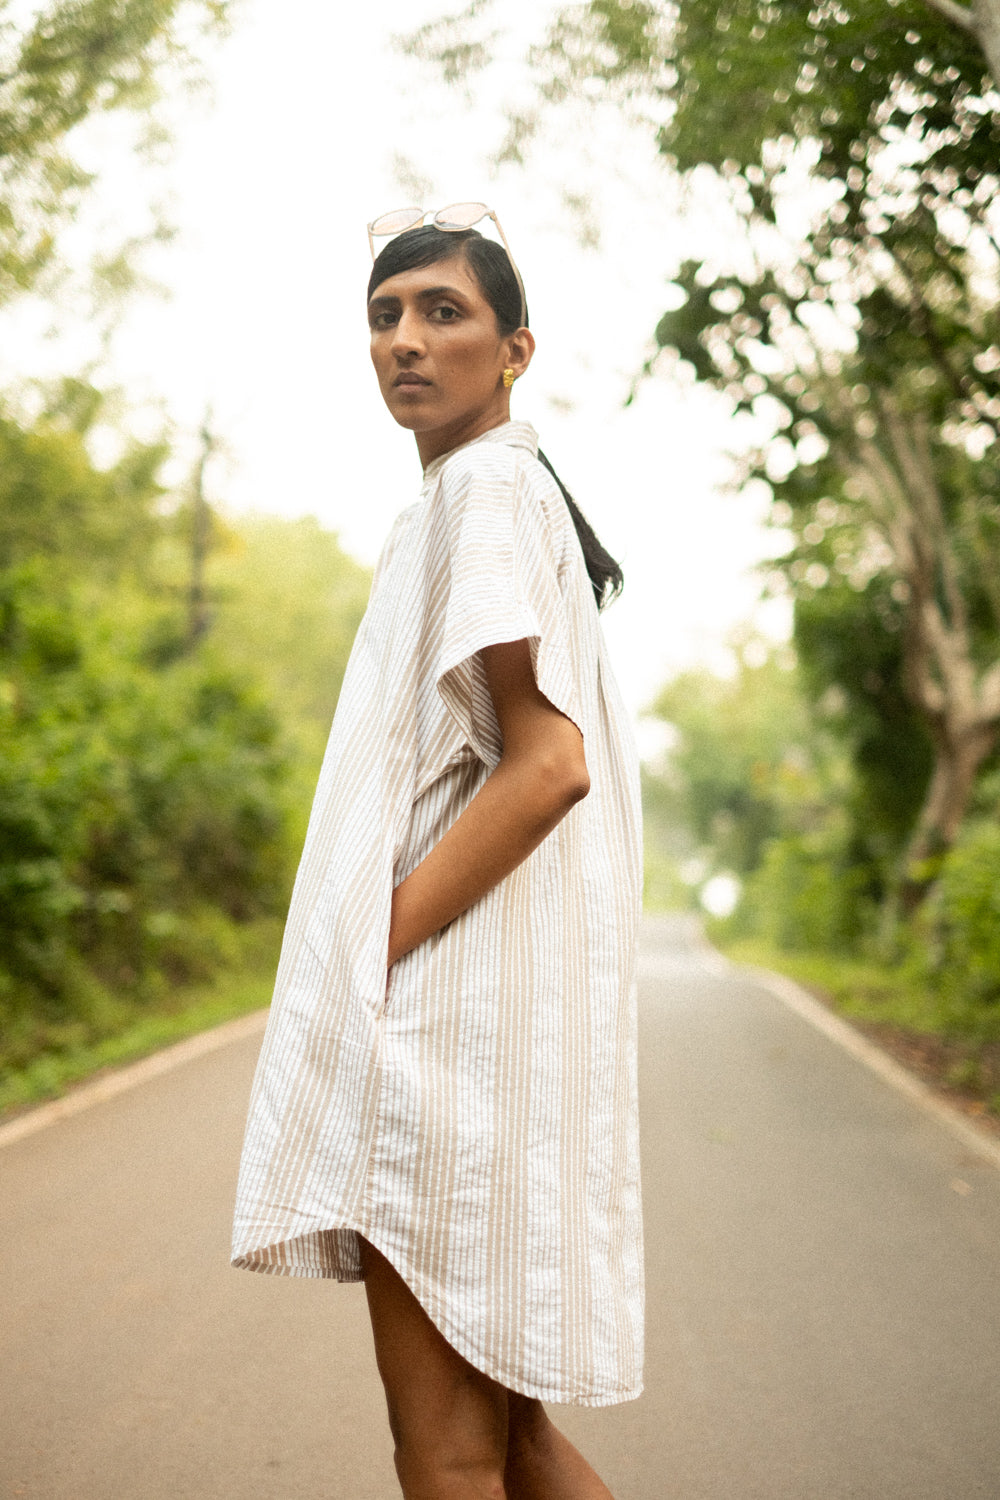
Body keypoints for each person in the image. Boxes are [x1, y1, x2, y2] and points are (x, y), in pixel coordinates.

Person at [232, 203, 644, 1499]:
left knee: (447, 1452)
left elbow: (548, 764)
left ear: (516, 350)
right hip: (496, 1039)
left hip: (449, 1042)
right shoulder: (490, 495)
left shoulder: (481, 488)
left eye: (442, 312)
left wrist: (374, 950)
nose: (405, 340)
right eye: (384, 315)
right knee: (509, 1443)